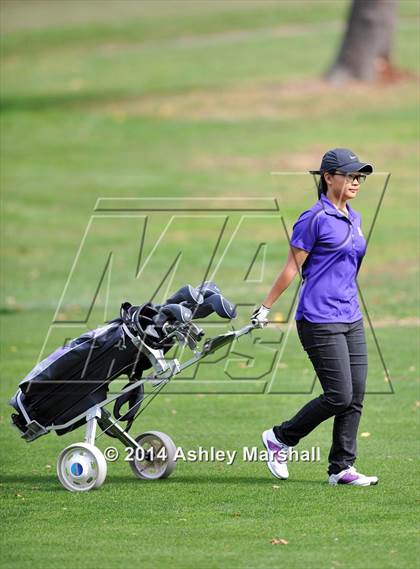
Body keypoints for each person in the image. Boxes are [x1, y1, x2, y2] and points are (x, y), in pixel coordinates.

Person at [252, 148, 378, 486]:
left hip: (350, 316)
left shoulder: (355, 218)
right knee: (339, 395)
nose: (356, 181)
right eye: (350, 175)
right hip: (318, 318)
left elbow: (352, 266)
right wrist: (265, 307)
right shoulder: (314, 218)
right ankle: (280, 438)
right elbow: (293, 265)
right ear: (327, 177)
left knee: (356, 395)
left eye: (359, 176)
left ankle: (341, 468)